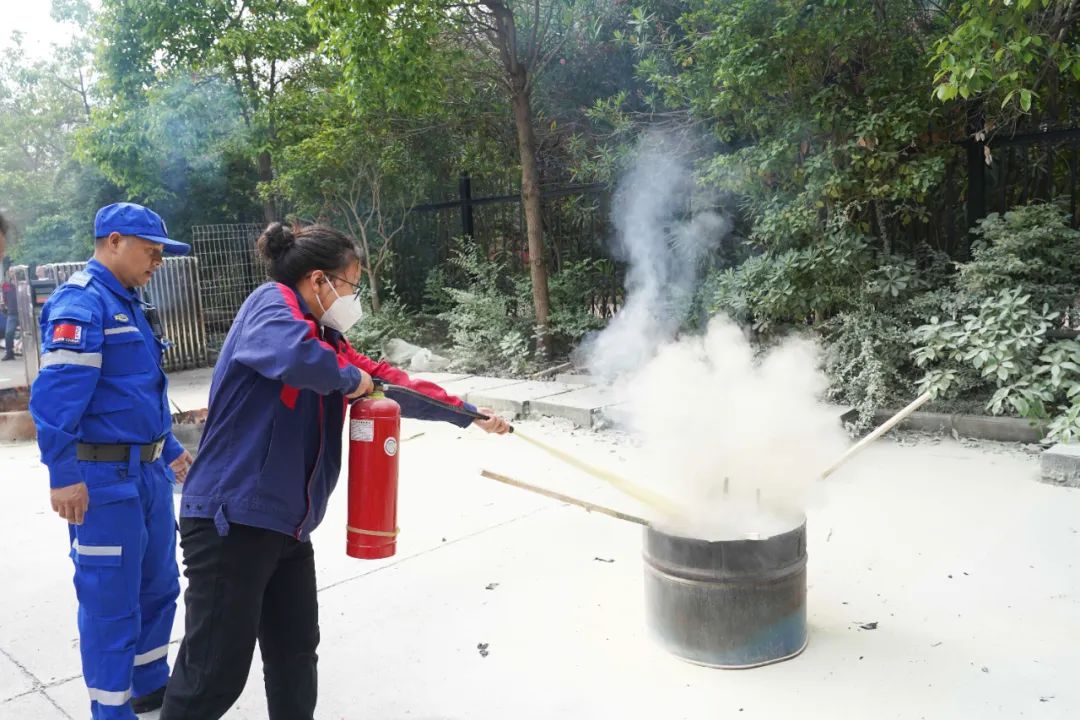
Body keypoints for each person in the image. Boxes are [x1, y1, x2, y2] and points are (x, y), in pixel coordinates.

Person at [160, 222, 510, 720]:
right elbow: (297, 358)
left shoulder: (326, 338)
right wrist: (353, 379)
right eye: (351, 285)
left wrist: (466, 413)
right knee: (212, 676)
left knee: (296, 655)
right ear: (318, 280)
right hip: (231, 521)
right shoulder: (271, 305)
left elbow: (387, 382)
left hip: (287, 527)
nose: (353, 299)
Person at [29, 202, 196, 720]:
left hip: (147, 474)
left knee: (159, 588)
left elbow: (136, 393)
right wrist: (63, 476)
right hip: (102, 482)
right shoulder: (81, 303)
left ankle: (149, 687)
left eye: (161, 254)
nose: (157, 263)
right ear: (115, 241)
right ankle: (111, 709)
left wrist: (170, 451)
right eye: (151, 251)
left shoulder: (130, 302)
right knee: (110, 604)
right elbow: (57, 400)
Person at [2, 258, 18, 361]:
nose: (12, 273)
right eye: (11, 271)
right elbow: (4, 298)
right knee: (8, 333)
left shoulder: (22, 282)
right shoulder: (5, 285)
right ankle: (9, 353)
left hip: (24, 312)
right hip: (12, 312)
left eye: (14, 271)